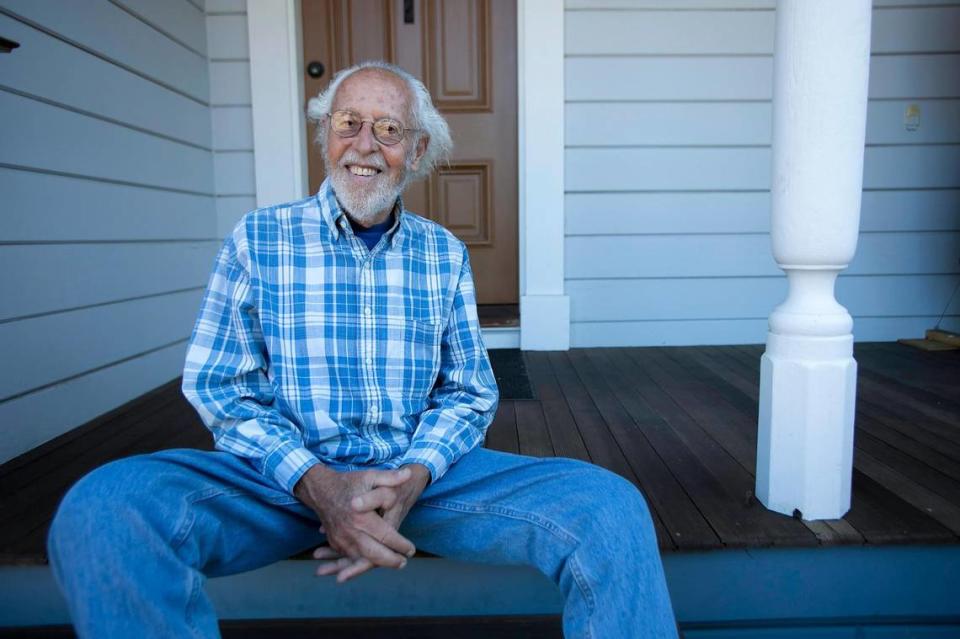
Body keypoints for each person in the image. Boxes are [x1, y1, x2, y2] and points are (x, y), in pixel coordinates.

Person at [47, 60, 679, 638]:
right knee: (104, 509)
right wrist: (318, 486)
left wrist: (410, 480)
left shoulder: (442, 254)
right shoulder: (259, 238)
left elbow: (468, 392)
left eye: (389, 129)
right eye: (349, 123)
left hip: (422, 485)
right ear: (326, 135)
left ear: (417, 150)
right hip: (276, 484)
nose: (366, 145)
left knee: (609, 508)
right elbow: (222, 387)